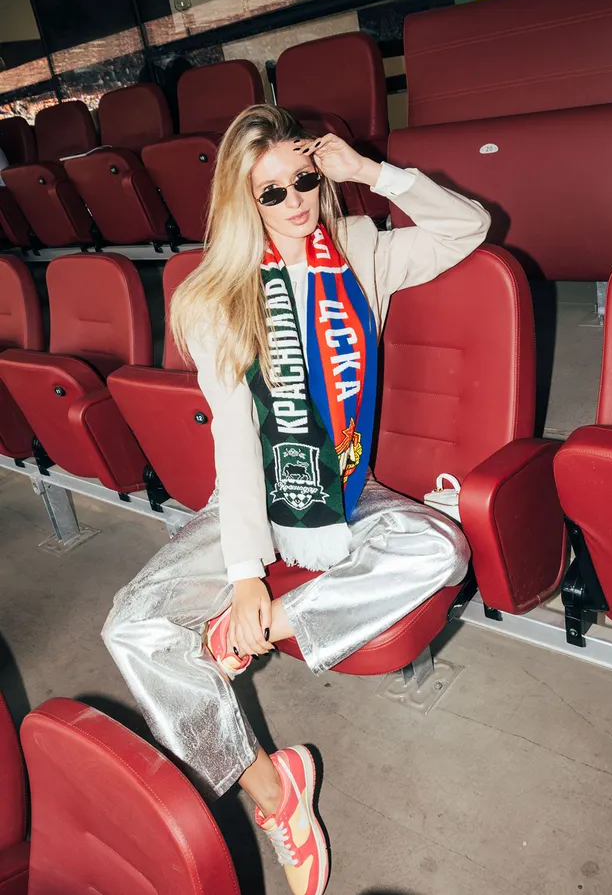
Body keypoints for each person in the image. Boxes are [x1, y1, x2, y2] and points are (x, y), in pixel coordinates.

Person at [103, 104, 490, 895]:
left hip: (348, 490)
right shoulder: (215, 298)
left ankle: (261, 629)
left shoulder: (359, 251)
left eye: (304, 180)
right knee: (131, 627)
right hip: (249, 501)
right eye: (271, 191)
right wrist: (246, 570)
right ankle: (272, 789)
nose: (295, 201)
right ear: (241, 201)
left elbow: (470, 227)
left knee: (441, 548)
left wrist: (372, 173)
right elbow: (236, 442)